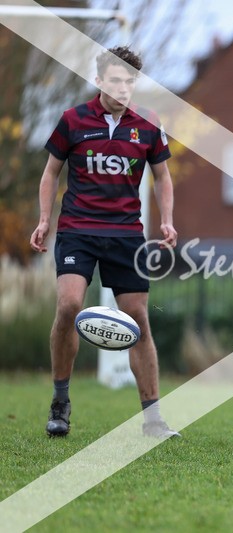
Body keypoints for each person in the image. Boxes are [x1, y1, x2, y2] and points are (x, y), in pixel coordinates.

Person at [29, 46, 179, 439]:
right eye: (117, 80)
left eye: (130, 81)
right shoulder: (72, 120)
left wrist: (167, 221)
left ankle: (153, 420)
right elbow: (50, 174)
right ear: (99, 81)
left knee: (139, 322)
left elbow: (163, 177)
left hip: (126, 235)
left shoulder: (147, 123)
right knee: (69, 306)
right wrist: (45, 219)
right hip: (78, 229)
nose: (124, 87)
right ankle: (60, 403)